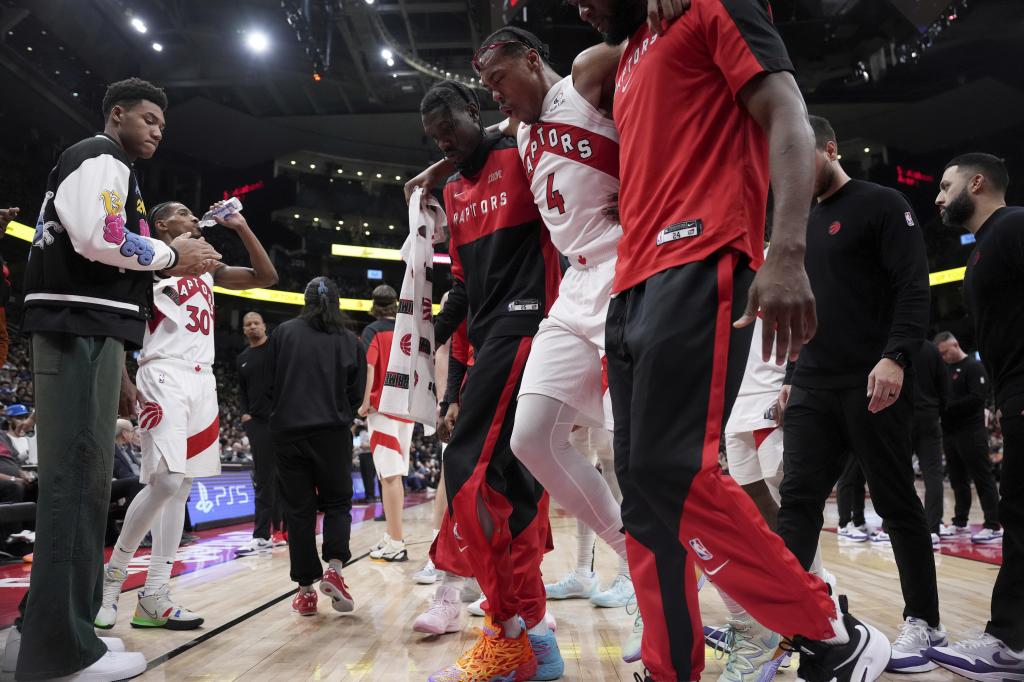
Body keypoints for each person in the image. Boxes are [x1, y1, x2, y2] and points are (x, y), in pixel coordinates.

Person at [569, 3, 892, 681]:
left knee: (674, 469)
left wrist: (789, 250)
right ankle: (670, 668)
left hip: (702, 254)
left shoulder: (713, 6)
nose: (578, 6)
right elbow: (581, 69)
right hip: (631, 285)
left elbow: (788, 115)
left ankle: (828, 630)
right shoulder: (628, 52)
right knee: (643, 492)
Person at [4, 77, 219, 682]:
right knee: (76, 484)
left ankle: (58, 635)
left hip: (91, 330)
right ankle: (59, 651)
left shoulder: (108, 164)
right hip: (77, 326)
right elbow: (102, 238)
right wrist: (174, 256)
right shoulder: (101, 156)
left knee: (84, 486)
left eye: (163, 124)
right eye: (148, 118)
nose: (157, 130)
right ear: (117, 114)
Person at [777, 115, 943, 672]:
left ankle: (924, 621)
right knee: (796, 503)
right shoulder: (797, 222)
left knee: (896, 503)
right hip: (813, 383)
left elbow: (912, 287)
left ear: (828, 148)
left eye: (803, 156)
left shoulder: (880, 203)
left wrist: (896, 356)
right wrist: (787, 378)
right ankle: (790, 622)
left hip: (875, 380)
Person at [415, 79, 563, 681]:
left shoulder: (518, 150)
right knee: (515, 488)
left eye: (451, 126)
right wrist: (423, 333)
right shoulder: (450, 187)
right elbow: (465, 287)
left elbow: (542, 111)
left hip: (531, 322)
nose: (445, 141)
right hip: (490, 336)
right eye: (434, 138)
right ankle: (535, 643)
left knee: (466, 471)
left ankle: (504, 630)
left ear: (475, 111)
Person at [95, 199, 277, 631]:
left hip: (203, 380)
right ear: (162, 224)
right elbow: (118, 321)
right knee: (168, 481)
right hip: (162, 373)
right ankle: (111, 578)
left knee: (180, 489)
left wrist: (241, 227)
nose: (196, 219)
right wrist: (124, 378)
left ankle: (154, 597)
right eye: (185, 214)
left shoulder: (207, 269)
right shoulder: (145, 261)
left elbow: (267, 278)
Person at [926, 152, 1023, 679]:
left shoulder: (1013, 227)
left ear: (978, 182)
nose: (938, 196)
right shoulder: (985, 247)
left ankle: (1008, 643)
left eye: (946, 185)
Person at [266, 276, 365, 617]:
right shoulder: (351, 341)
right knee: (337, 503)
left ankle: (306, 591)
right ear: (337, 303)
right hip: (333, 433)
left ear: (304, 301)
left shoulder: (283, 333)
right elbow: (356, 395)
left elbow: (268, 382)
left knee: (299, 511)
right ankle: (334, 569)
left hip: (289, 432)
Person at [358, 284, 413, 562]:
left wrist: (365, 401)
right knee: (393, 476)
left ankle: (397, 543)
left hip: (383, 407)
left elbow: (369, 366)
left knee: (389, 476)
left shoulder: (373, 330)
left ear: (374, 304)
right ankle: (392, 535)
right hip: (407, 408)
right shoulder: (408, 329)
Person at [934, 331, 1002, 543]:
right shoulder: (945, 369)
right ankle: (960, 522)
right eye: (941, 354)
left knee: (982, 477)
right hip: (950, 432)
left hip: (971, 431)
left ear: (955, 344)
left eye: (946, 352)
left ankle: (993, 525)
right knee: (957, 480)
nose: (944, 356)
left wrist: (944, 407)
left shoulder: (974, 367)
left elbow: (976, 398)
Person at [236, 311, 288, 555]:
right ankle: (262, 535)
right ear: (244, 330)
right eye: (248, 324)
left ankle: (285, 530)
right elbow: (242, 391)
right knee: (264, 479)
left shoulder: (277, 349)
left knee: (286, 478)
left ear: (264, 326)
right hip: (257, 424)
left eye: (256, 322)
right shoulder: (243, 358)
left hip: (283, 420)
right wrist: (245, 415)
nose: (253, 327)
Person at [914, 340, 950, 544]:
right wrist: (939, 410)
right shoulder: (931, 350)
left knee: (899, 474)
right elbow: (944, 383)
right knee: (933, 474)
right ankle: (932, 528)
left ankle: (891, 527)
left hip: (901, 418)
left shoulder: (894, 345)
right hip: (929, 416)